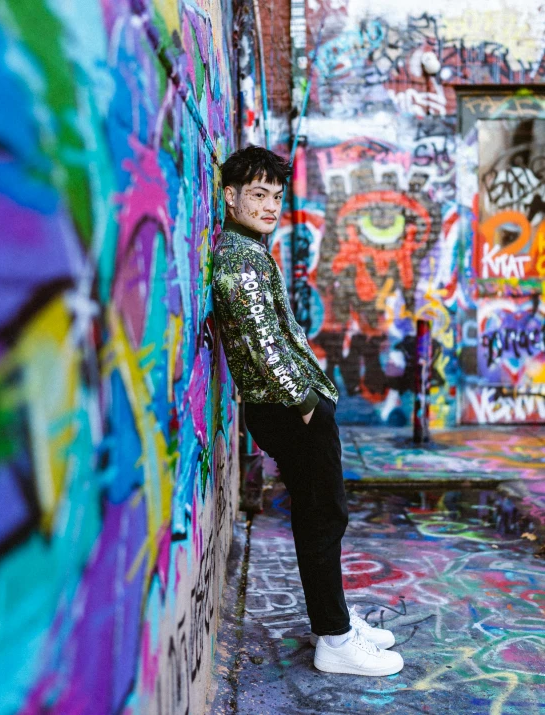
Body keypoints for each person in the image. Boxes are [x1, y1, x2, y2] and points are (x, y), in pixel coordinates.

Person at [212, 145, 403, 677]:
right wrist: (305, 404)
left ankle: (336, 620)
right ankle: (335, 639)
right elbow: (261, 341)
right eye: (258, 195)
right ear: (230, 197)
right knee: (324, 515)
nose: (271, 205)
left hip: (285, 405)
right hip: (285, 407)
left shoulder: (249, 249)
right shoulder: (238, 258)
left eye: (276, 196)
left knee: (323, 515)